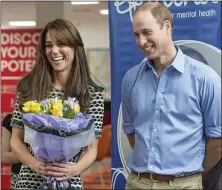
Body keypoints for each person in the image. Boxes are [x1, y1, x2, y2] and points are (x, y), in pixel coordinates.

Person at [121, 2, 221, 189]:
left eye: (147, 32)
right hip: (136, 183)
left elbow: (217, 142)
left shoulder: (205, 78)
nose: (141, 41)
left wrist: (192, 177)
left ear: (167, 27)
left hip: (183, 185)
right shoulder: (130, 79)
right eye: (136, 35)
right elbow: (132, 132)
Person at [10, 18, 104, 189]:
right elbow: (16, 140)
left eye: (61, 44)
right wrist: (35, 164)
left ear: (75, 48)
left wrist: (73, 169)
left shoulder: (92, 95)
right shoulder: (28, 88)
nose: (54, 51)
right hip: (29, 182)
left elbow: (92, 149)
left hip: (69, 181)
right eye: (49, 45)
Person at [2, 114, 22, 189]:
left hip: (48, 177)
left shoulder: (51, 117)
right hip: (18, 178)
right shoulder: (10, 119)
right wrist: (30, 156)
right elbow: (3, 157)